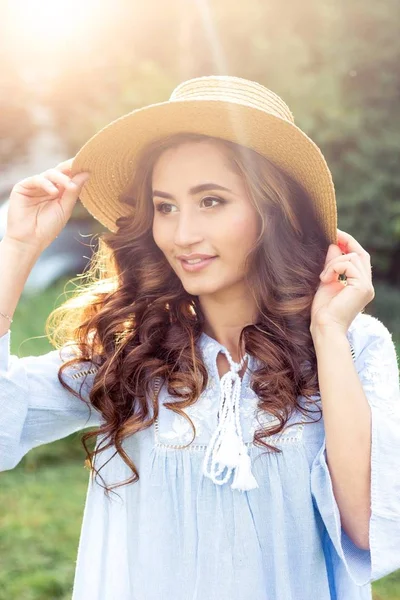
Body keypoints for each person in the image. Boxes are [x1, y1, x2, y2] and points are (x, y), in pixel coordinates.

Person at [0, 75, 399, 600]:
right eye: (165, 207)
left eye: (211, 201)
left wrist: (327, 331)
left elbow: (368, 529)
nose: (182, 233)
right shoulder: (129, 353)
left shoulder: (353, 344)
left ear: (271, 210)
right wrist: (17, 246)